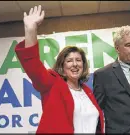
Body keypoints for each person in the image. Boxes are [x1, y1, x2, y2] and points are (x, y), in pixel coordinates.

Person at [14, 5, 104, 134]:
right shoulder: (52, 84)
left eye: (78, 60)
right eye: (69, 61)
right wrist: (30, 30)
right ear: (62, 66)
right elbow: (33, 65)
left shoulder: (87, 91)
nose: (75, 64)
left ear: (83, 65)